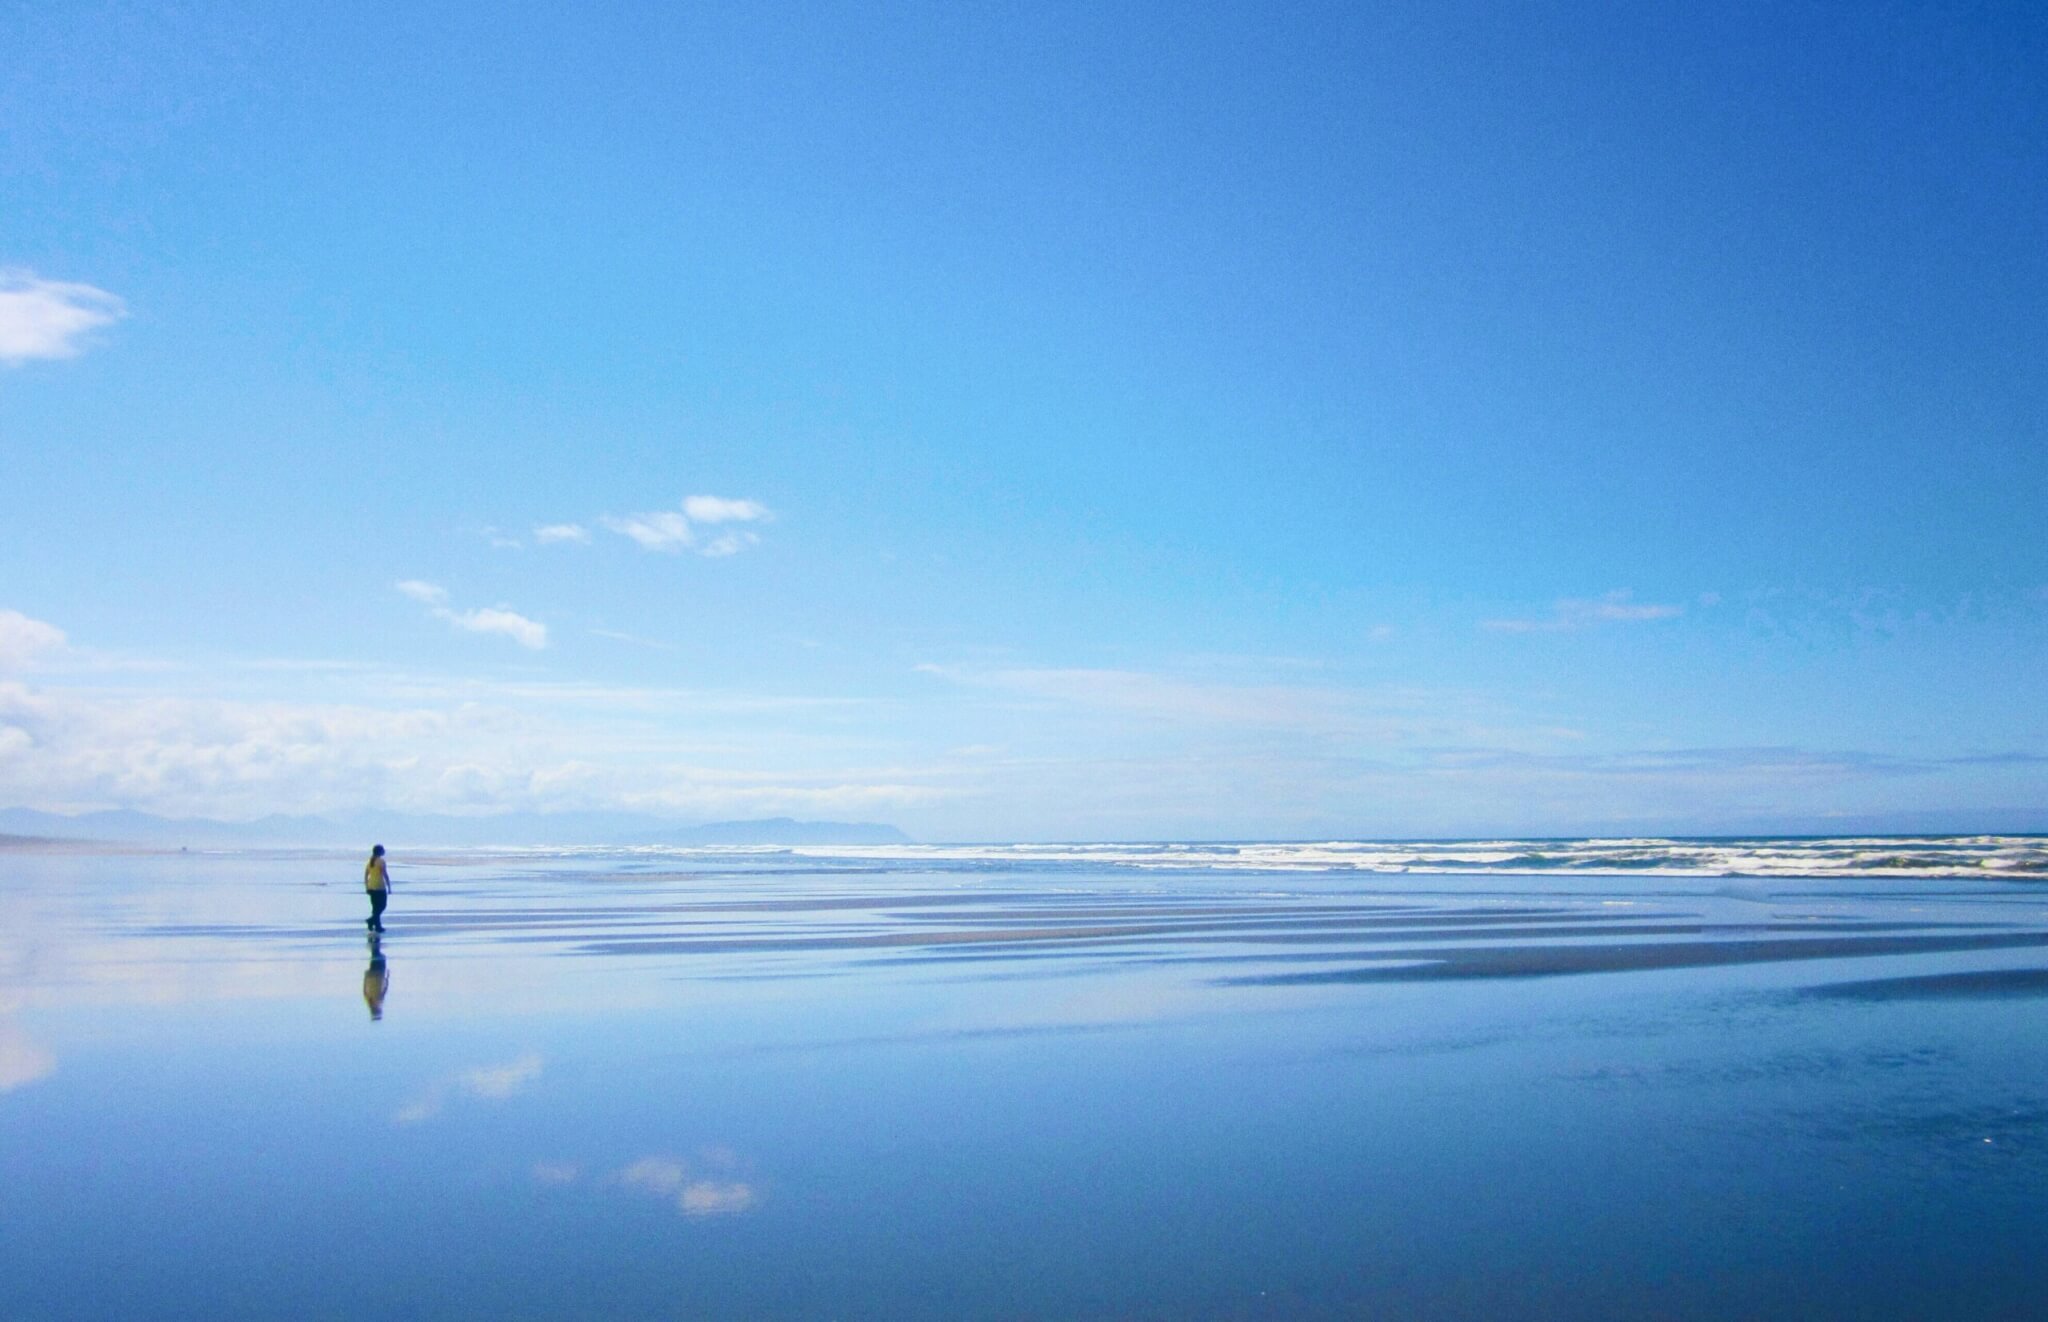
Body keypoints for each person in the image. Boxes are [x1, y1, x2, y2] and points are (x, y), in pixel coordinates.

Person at [364, 844, 391, 933]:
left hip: (371, 886)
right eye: (383, 850)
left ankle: (377, 925)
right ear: (379, 851)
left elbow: (366, 875)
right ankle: (371, 920)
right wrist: (389, 886)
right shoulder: (381, 861)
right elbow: (384, 874)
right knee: (382, 906)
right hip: (379, 886)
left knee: (375, 908)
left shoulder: (369, 862)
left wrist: (367, 886)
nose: (384, 851)